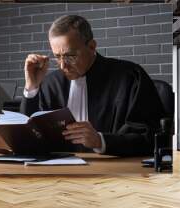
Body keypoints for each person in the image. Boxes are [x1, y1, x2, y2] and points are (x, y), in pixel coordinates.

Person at [20, 15, 166, 156]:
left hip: (114, 173)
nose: (63, 65)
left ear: (91, 46)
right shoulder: (51, 83)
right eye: (57, 57)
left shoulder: (131, 76)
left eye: (71, 56)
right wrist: (32, 87)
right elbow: (27, 139)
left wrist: (100, 141)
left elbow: (151, 137)